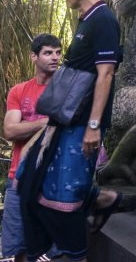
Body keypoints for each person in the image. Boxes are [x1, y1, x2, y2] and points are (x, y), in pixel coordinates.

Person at [17, 0, 128, 262]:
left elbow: (105, 75)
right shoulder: (86, 20)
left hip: (83, 122)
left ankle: (75, 254)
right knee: (33, 180)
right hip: (65, 118)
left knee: (63, 197)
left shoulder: (103, 19)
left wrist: (93, 126)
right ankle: (102, 199)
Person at [2, 34, 62, 262]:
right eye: (48, 53)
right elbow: (10, 131)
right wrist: (46, 122)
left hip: (54, 178)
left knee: (54, 250)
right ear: (33, 57)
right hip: (19, 174)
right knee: (16, 247)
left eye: (58, 52)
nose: (55, 57)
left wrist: (25, 126)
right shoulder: (19, 91)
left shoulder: (67, 89)